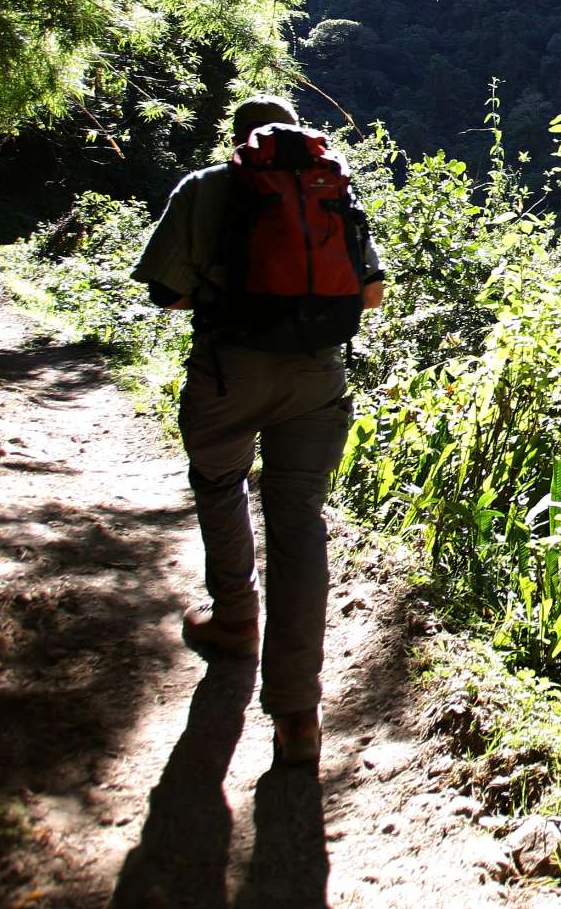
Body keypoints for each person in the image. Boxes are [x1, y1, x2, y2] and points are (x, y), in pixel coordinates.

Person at [130, 96, 385, 765]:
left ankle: (236, 617)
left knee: (219, 482)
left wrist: (230, 294)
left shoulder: (207, 188)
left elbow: (163, 291)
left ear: (239, 138)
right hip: (315, 381)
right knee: (299, 524)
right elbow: (372, 292)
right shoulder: (332, 187)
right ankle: (297, 715)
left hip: (229, 373)